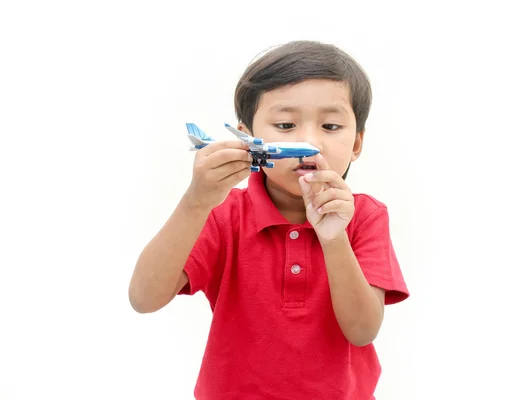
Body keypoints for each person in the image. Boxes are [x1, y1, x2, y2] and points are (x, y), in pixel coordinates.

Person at [129, 40, 410, 400]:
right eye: (285, 123)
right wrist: (195, 202)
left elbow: (362, 330)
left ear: (357, 143)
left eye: (330, 125)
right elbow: (143, 298)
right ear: (249, 139)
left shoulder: (365, 216)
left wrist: (333, 238)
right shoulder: (222, 214)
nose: (310, 140)